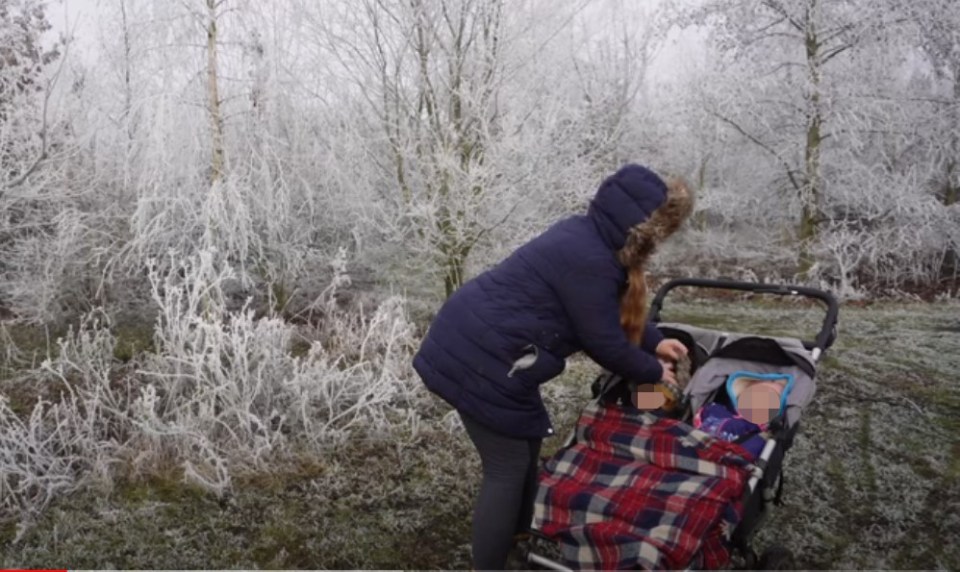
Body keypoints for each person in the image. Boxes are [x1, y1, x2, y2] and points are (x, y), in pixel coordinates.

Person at [412, 164, 694, 570]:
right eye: (659, 232)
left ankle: (517, 540)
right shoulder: (591, 258)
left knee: (525, 445)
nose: (660, 242)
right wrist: (653, 371)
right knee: (506, 468)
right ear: (640, 227)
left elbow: (606, 309)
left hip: (490, 348)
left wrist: (654, 339)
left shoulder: (589, 238)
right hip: (481, 355)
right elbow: (604, 342)